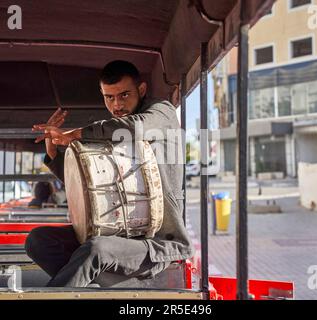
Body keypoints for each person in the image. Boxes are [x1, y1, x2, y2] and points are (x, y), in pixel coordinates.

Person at [25, 60, 194, 287]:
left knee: (98, 249)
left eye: (124, 95)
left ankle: (75, 285)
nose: (117, 104)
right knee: (39, 240)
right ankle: (87, 285)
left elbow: (136, 126)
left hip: (157, 244)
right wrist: (53, 152)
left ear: (141, 90)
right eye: (109, 97)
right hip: (117, 233)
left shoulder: (162, 112)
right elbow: (89, 188)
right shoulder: (112, 133)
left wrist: (76, 134)